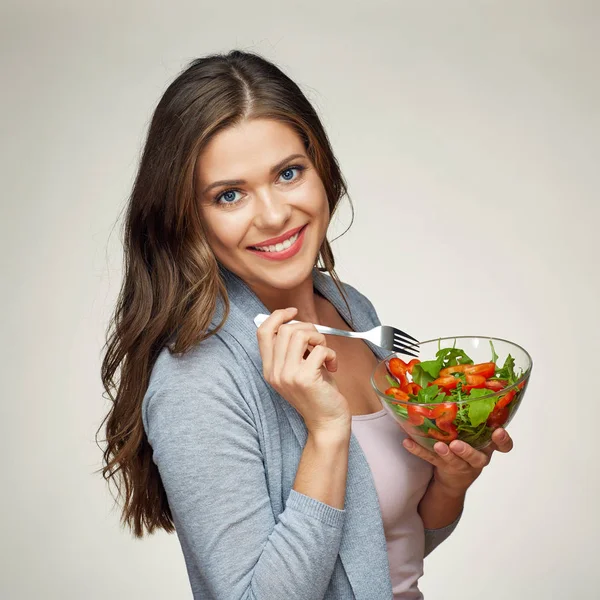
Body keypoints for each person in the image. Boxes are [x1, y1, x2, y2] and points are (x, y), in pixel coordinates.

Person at [99, 50, 514, 600]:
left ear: (323, 170)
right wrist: (325, 435)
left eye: (288, 173)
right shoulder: (196, 383)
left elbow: (380, 553)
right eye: (229, 194)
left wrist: (451, 483)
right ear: (187, 217)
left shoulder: (351, 310)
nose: (273, 215)